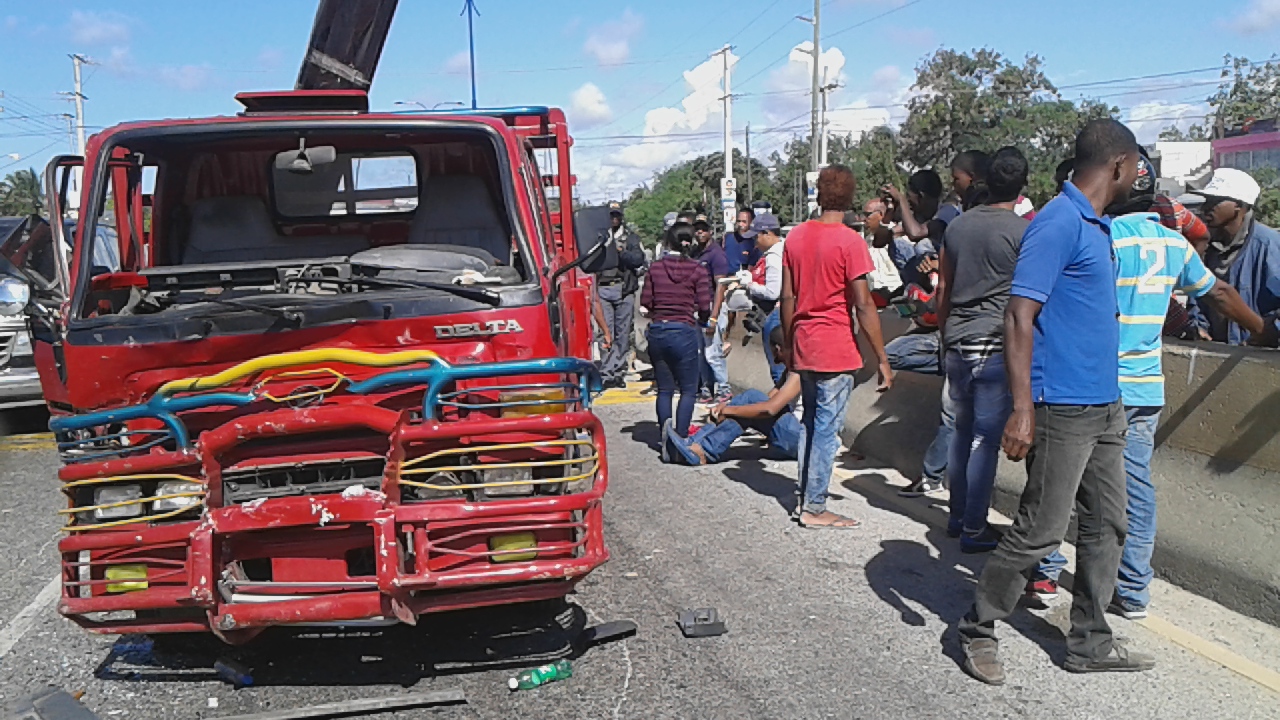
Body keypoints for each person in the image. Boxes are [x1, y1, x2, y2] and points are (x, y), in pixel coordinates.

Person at [957, 119, 1153, 685]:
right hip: (1061, 404)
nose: (1140, 174)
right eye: (1136, 164)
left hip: (1105, 403)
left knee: (1108, 523)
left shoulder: (1098, 225)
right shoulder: (1057, 223)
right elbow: (1019, 314)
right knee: (1041, 529)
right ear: (1118, 164)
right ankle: (977, 626)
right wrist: (1023, 409)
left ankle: (1090, 639)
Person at [1032, 155, 1265, 620]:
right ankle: (1134, 589)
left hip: (1090, 384)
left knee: (1063, 481)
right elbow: (1218, 293)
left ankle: (1047, 570)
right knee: (1136, 486)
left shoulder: (1102, 237)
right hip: (1144, 389)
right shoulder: (1173, 245)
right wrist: (1263, 331)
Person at [781, 164, 893, 529]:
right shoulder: (850, 242)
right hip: (836, 345)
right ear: (848, 198)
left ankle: (804, 496)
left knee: (811, 423)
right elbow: (863, 305)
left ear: (819, 193)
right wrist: (882, 357)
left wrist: (789, 344)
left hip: (805, 342)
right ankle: (814, 506)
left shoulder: (795, 238)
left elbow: (787, 297)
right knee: (828, 429)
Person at [935, 146, 1031, 553]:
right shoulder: (1023, 232)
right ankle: (975, 528)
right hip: (994, 345)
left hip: (957, 340)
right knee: (983, 440)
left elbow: (942, 288)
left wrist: (945, 335)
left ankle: (957, 517)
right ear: (1024, 185)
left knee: (960, 432)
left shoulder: (957, 227)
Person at [665, 326, 802, 465]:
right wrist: (729, 407)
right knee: (747, 404)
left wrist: (728, 410)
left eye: (773, 352)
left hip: (799, 440)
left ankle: (704, 451)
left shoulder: (800, 373)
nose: (774, 358)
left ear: (778, 349)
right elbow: (769, 398)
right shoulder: (790, 371)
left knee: (750, 397)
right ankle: (693, 444)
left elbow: (770, 409)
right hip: (792, 435)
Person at [642, 220, 711, 458]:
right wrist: (701, 319)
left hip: (659, 331)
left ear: (667, 242)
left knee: (665, 390)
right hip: (684, 331)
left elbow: (646, 302)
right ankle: (679, 438)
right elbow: (704, 305)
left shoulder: (655, 268)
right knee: (689, 390)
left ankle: (664, 434)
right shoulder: (698, 269)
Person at [1197, 168, 1280, 347]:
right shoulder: (1205, 246)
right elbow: (1197, 298)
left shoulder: (1269, 246)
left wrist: (1268, 333)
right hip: (1214, 353)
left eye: (1215, 202)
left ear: (1239, 206)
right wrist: (1199, 327)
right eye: (1206, 201)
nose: (1206, 208)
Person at [596, 202, 647, 389]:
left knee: (623, 333)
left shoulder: (630, 238)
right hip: (602, 289)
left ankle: (617, 372)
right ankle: (606, 373)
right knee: (605, 333)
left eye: (616, 216)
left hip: (623, 289)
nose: (614, 219)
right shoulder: (598, 237)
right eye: (610, 216)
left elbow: (638, 260)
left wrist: (621, 252)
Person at [691, 213, 734, 402]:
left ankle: (724, 389)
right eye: (697, 228)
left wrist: (714, 317)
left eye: (703, 228)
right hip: (698, 308)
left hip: (712, 307)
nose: (700, 232)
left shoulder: (717, 255)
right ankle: (707, 389)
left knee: (713, 353)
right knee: (701, 353)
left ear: (710, 231)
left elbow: (721, 288)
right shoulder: (696, 254)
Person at [743, 213, 787, 384]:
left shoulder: (774, 256)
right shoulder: (783, 250)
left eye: (757, 237)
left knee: (778, 367)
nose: (754, 242)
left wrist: (749, 284)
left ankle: (782, 406)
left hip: (775, 314)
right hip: (783, 311)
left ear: (768, 233)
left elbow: (772, 292)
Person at [722, 207, 761, 272]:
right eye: (738, 221)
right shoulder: (727, 238)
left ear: (751, 222)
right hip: (725, 278)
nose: (740, 224)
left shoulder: (756, 242)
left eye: (744, 222)